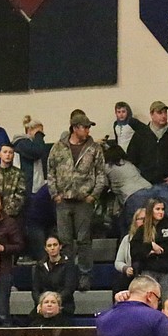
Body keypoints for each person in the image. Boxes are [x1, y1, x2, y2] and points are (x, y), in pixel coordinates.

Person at [48, 111, 107, 291]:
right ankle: (67, 274)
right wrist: (55, 194)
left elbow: (101, 174)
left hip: (84, 200)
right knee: (65, 241)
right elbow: (50, 171)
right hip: (63, 199)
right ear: (75, 128)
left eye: (89, 127)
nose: (88, 130)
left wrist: (93, 195)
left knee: (83, 240)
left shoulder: (94, 148)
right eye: (85, 127)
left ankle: (85, 275)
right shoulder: (58, 147)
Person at [13, 115, 53, 261]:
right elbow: (37, 151)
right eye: (38, 133)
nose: (41, 138)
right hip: (26, 192)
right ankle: (31, 254)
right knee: (29, 226)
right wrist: (38, 135)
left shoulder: (32, 144)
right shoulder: (21, 142)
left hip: (36, 190)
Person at [130, 198, 168, 300]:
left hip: (167, 271)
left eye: (162, 209)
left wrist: (161, 251)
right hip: (148, 270)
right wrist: (150, 246)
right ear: (150, 210)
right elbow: (134, 251)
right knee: (146, 302)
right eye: (157, 209)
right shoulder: (142, 229)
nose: (161, 212)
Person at [0, 191, 24, 324]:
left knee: (2, 310)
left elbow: (19, 246)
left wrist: (3, 248)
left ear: (1, 204)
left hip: (4, 271)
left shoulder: (10, 223)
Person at [32, 236, 77, 316]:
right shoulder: (40, 266)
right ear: (45, 248)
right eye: (49, 246)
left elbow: (69, 289)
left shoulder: (69, 265)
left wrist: (54, 302)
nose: (52, 248)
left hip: (64, 305)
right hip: (43, 305)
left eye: (55, 245)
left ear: (60, 246)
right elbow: (35, 290)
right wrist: (42, 303)